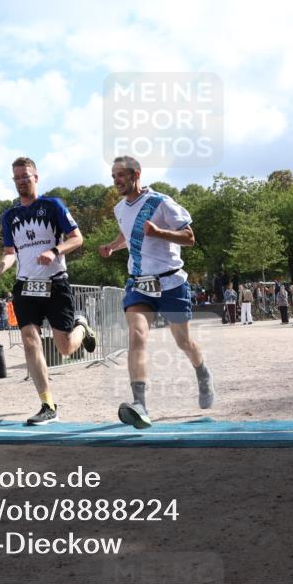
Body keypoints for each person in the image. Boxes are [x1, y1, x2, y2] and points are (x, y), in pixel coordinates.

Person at [99, 156, 213, 429]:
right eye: (113, 176)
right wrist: (114, 246)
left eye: (121, 175)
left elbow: (190, 238)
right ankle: (140, 404)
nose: (116, 180)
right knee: (137, 336)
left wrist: (159, 232)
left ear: (135, 174)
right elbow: (130, 235)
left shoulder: (161, 202)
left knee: (183, 342)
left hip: (171, 283)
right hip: (139, 283)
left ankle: (202, 372)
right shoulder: (119, 209)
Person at [0, 157, 97, 426]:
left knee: (64, 348)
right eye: (17, 178)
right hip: (25, 285)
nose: (22, 182)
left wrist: (54, 251)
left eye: (26, 176)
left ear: (36, 177)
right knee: (29, 339)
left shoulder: (53, 206)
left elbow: (77, 238)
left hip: (55, 283)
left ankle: (81, 328)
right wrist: (0, 268)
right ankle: (47, 403)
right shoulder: (9, 216)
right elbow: (9, 253)